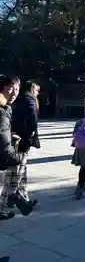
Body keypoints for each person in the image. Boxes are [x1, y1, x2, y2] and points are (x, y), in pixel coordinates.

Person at [0, 75, 34, 220]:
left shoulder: (6, 106)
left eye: (17, 90)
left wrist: (10, 134)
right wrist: (16, 157)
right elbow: (2, 140)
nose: (14, 93)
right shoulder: (2, 109)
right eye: (10, 89)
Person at [11, 81, 41, 208]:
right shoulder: (29, 100)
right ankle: (12, 197)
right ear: (32, 89)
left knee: (21, 171)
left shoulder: (20, 99)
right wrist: (29, 136)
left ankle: (23, 197)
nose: (37, 93)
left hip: (16, 137)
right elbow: (33, 120)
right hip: (23, 139)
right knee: (19, 170)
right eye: (37, 90)